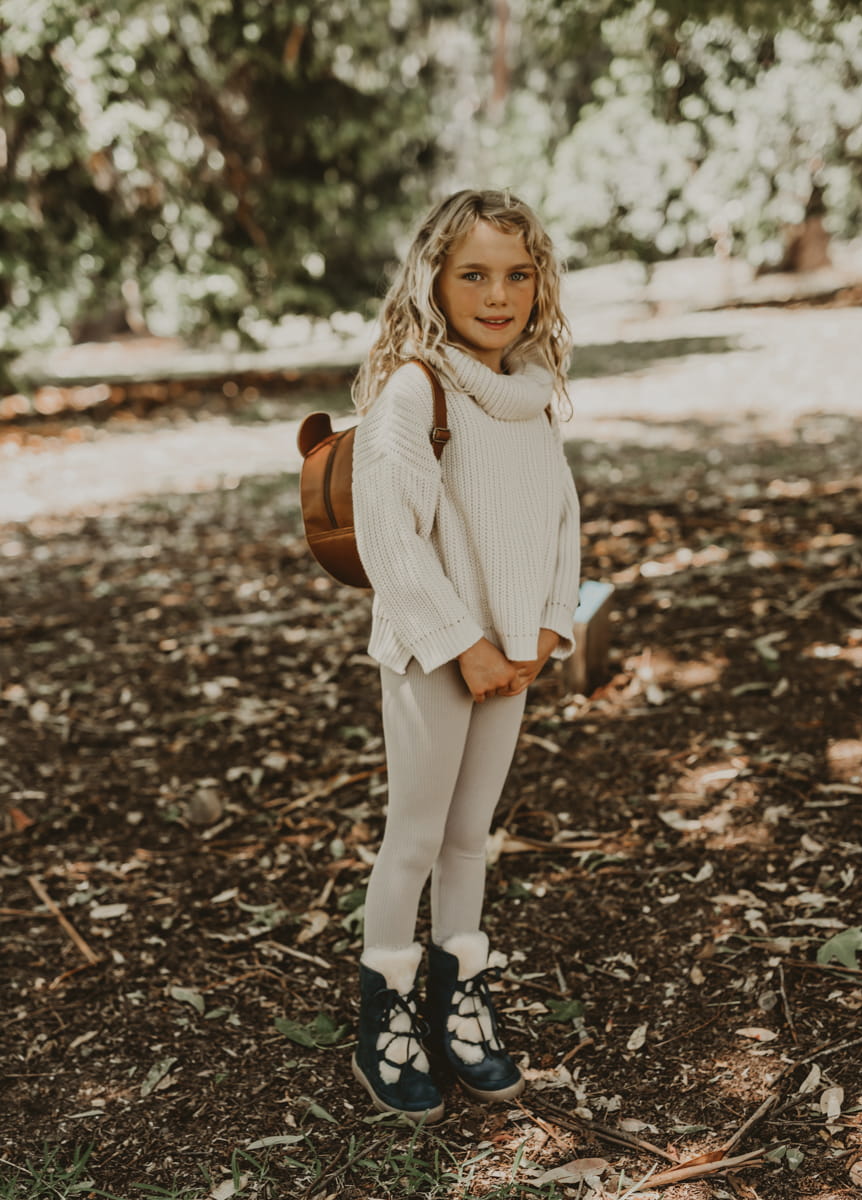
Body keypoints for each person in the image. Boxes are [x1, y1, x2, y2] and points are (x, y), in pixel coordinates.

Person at [350, 188, 581, 1123]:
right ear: (434, 281)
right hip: (433, 654)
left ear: (540, 283)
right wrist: (465, 645)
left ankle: (459, 1001)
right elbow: (389, 540)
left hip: (514, 655)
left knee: (469, 835)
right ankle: (385, 1013)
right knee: (414, 836)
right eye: (474, 274)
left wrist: (552, 624)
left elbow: (562, 521)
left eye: (518, 275)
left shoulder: (533, 394)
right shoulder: (415, 391)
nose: (498, 295)